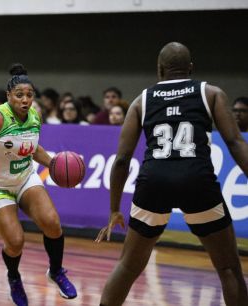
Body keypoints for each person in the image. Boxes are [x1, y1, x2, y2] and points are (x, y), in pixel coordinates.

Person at [95, 42, 248, 306]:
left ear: (159, 69)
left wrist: (114, 210)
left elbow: (121, 160)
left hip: (154, 182)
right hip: (197, 180)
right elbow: (235, 143)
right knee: (228, 269)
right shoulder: (210, 93)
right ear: (190, 68)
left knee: (128, 266)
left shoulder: (141, 101)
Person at [0, 64, 77, 306]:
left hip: (24, 179)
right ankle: (14, 278)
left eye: (29, 95)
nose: (25, 100)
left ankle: (56, 272)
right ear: (8, 96)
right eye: (19, 95)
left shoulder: (35, 116)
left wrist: (55, 165)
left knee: (52, 223)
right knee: (15, 241)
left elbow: (32, 150)